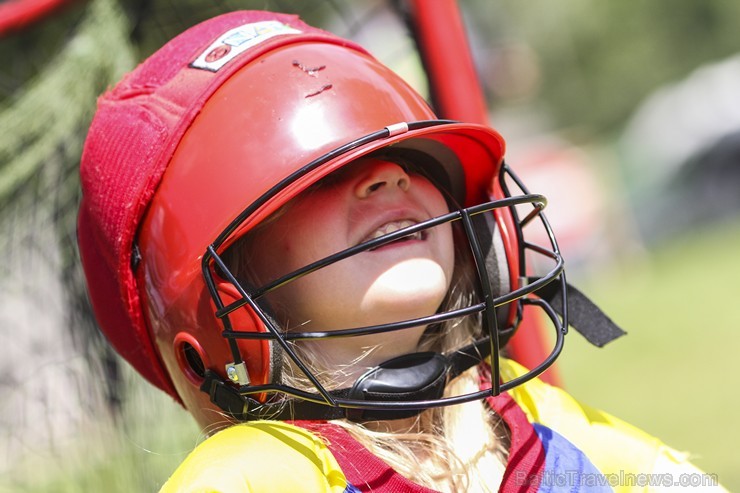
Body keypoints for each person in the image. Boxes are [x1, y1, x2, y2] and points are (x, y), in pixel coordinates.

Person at [77, 10, 724, 492]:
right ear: (227, 310)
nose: (388, 178)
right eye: (321, 174)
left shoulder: (548, 426)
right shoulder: (258, 475)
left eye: (412, 159)